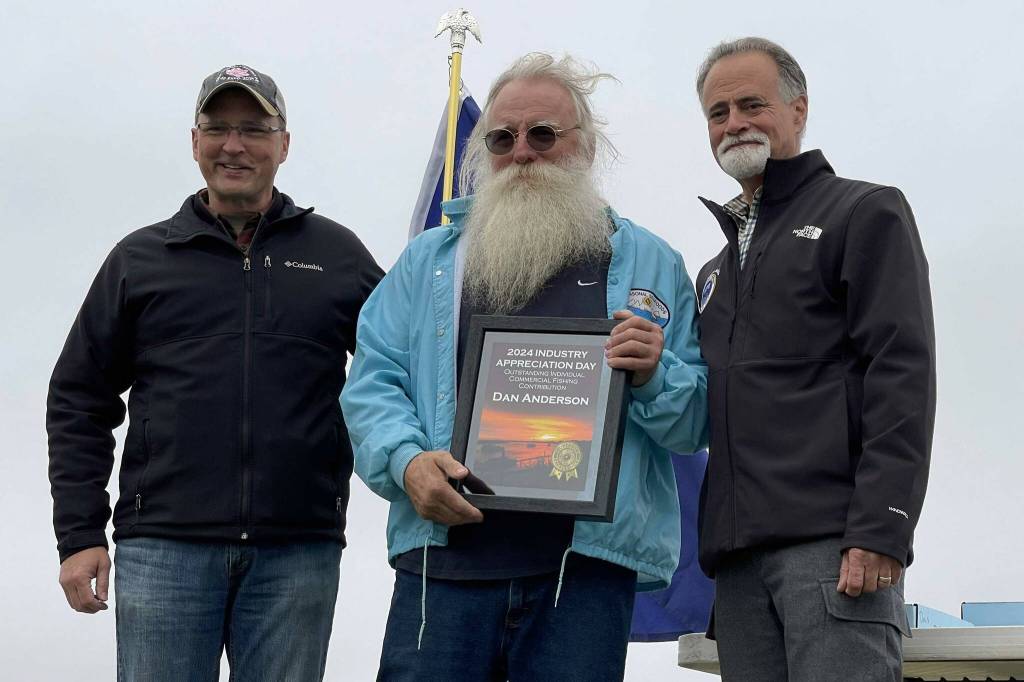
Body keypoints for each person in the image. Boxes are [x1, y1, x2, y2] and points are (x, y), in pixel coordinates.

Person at [341, 52, 708, 681]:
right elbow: (373, 384)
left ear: (586, 147)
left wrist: (654, 375)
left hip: (585, 574)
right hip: (444, 567)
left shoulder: (653, 263)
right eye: (502, 138)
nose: (522, 152)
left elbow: (694, 421)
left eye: (543, 134)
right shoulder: (427, 261)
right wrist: (406, 463)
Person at [47, 64, 382, 680]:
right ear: (194, 141)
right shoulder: (139, 259)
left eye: (254, 128)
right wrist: (79, 535)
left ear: (284, 145)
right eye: (217, 127)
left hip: (299, 549)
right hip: (162, 549)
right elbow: (78, 397)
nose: (234, 145)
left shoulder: (338, 256)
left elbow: (401, 367)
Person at [692, 37, 935, 679]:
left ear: (798, 110)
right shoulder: (711, 274)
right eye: (718, 113)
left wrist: (883, 525)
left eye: (752, 103)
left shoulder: (862, 211)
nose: (734, 122)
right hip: (738, 567)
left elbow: (902, 371)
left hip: (833, 550)